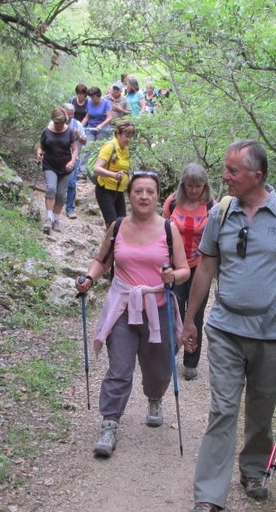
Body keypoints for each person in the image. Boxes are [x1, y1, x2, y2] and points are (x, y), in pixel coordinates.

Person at [181, 140, 276, 512]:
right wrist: (189, 319)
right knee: (223, 409)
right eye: (225, 169)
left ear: (256, 177)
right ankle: (208, 498)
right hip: (225, 328)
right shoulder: (221, 213)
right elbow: (205, 269)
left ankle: (253, 470)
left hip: (272, 330)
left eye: (232, 171)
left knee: (260, 408)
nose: (224, 176)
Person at [75, 171, 190, 458]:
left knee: (159, 367)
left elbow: (185, 269)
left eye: (150, 192)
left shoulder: (168, 228)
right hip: (123, 306)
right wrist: (88, 278)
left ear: (157, 196)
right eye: (138, 191)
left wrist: (171, 277)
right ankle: (110, 423)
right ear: (129, 195)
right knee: (120, 368)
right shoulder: (117, 226)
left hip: (158, 305)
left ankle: (154, 397)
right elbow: (102, 261)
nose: (144, 196)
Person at [162, 163, 215, 381]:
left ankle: (191, 361)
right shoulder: (172, 202)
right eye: (190, 186)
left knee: (195, 314)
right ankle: (170, 352)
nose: (194, 190)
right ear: (183, 184)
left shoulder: (212, 205)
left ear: (205, 186)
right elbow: (162, 229)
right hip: (175, 266)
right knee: (173, 310)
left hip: (200, 267)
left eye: (199, 186)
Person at [35, 107, 79, 235]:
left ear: (65, 120)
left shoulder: (70, 132)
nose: (59, 125)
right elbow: (41, 147)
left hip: (65, 167)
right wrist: (39, 154)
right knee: (51, 189)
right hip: (50, 165)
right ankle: (48, 219)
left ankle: (56, 219)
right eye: (56, 122)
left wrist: (72, 161)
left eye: (61, 122)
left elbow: (75, 149)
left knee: (60, 195)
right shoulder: (46, 131)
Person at [93, 120, 135, 228]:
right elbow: (96, 169)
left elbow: (125, 168)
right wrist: (113, 175)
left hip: (119, 191)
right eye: (126, 136)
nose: (128, 139)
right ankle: (109, 244)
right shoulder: (109, 146)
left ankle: (116, 244)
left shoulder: (125, 149)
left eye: (130, 136)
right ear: (118, 134)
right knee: (112, 224)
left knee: (121, 224)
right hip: (105, 190)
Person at [61, 102, 87, 219]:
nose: (69, 118)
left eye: (71, 116)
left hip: (73, 157)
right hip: (58, 157)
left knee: (71, 183)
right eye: (68, 115)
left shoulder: (77, 124)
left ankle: (70, 208)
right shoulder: (56, 123)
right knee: (58, 183)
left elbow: (84, 141)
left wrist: (78, 136)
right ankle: (55, 206)